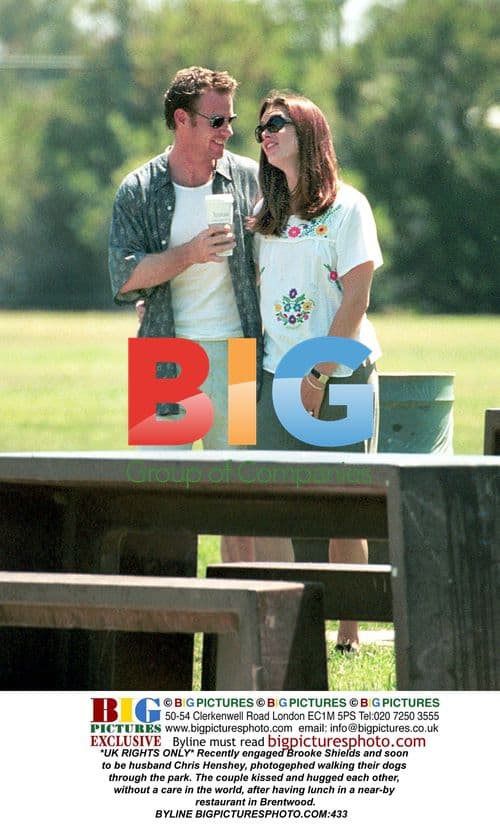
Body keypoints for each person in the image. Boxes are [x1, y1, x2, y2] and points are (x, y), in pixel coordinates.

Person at [109, 66, 265, 562]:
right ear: (182, 119)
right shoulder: (138, 188)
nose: (229, 131)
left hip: (238, 357)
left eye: (230, 120)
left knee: (238, 507)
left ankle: (238, 633)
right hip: (163, 359)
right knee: (160, 505)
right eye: (217, 120)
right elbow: (124, 275)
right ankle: (163, 634)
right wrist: (190, 253)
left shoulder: (248, 178)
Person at [251, 91, 383, 652]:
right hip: (275, 374)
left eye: (276, 122)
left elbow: (356, 300)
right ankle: (286, 626)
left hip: (340, 376)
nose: (265, 133)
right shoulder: (264, 217)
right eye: (260, 128)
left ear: (308, 131)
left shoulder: (349, 207)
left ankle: (348, 634)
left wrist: (317, 376)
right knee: (273, 507)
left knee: (343, 506)